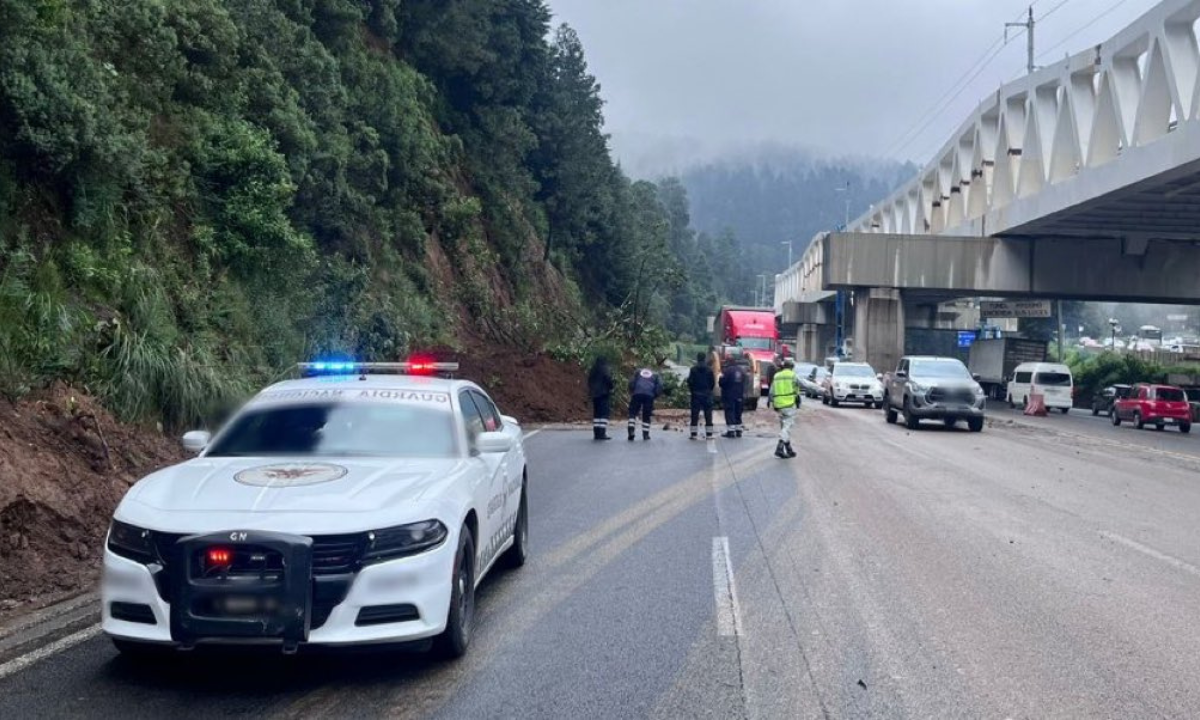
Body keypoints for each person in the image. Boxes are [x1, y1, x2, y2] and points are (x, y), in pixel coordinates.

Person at [769, 357, 799, 458]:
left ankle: (789, 449)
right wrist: (821, 390)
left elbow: (771, 391)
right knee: (787, 427)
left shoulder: (777, 375)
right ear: (792, 367)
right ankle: (780, 448)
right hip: (789, 404)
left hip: (778, 405)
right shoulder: (792, 375)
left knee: (784, 426)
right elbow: (806, 385)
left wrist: (770, 401)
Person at [627, 366, 663, 441]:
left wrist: (632, 391)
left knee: (633, 412)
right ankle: (645, 435)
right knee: (646, 414)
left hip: (637, 393)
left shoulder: (638, 372)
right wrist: (655, 395)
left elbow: (631, 382)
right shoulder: (656, 375)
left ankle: (631, 431)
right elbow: (660, 386)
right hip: (649, 395)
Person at [686, 352, 716, 440]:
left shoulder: (693, 369)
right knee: (708, 415)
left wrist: (692, 391)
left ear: (697, 358)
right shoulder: (709, 370)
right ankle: (709, 434)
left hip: (696, 395)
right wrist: (708, 391)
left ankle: (694, 434)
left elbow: (690, 382)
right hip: (707, 395)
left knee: (694, 415)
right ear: (705, 358)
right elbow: (712, 383)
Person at [719, 357, 747, 438]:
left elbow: (722, 383)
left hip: (729, 395)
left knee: (730, 412)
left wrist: (720, 379)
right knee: (738, 413)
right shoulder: (741, 371)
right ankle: (738, 431)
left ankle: (731, 432)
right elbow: (745, 382)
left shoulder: (728, 371)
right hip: (739, 395)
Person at [588, 356, 614, 441]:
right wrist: (611, 387)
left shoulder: (593, 370)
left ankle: (596, 433)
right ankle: (602, 433)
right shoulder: (604, 369)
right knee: (603, 414)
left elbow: (589, 381)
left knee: (597, 414)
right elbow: (608, 380)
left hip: (595, 395)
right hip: (603, 394)